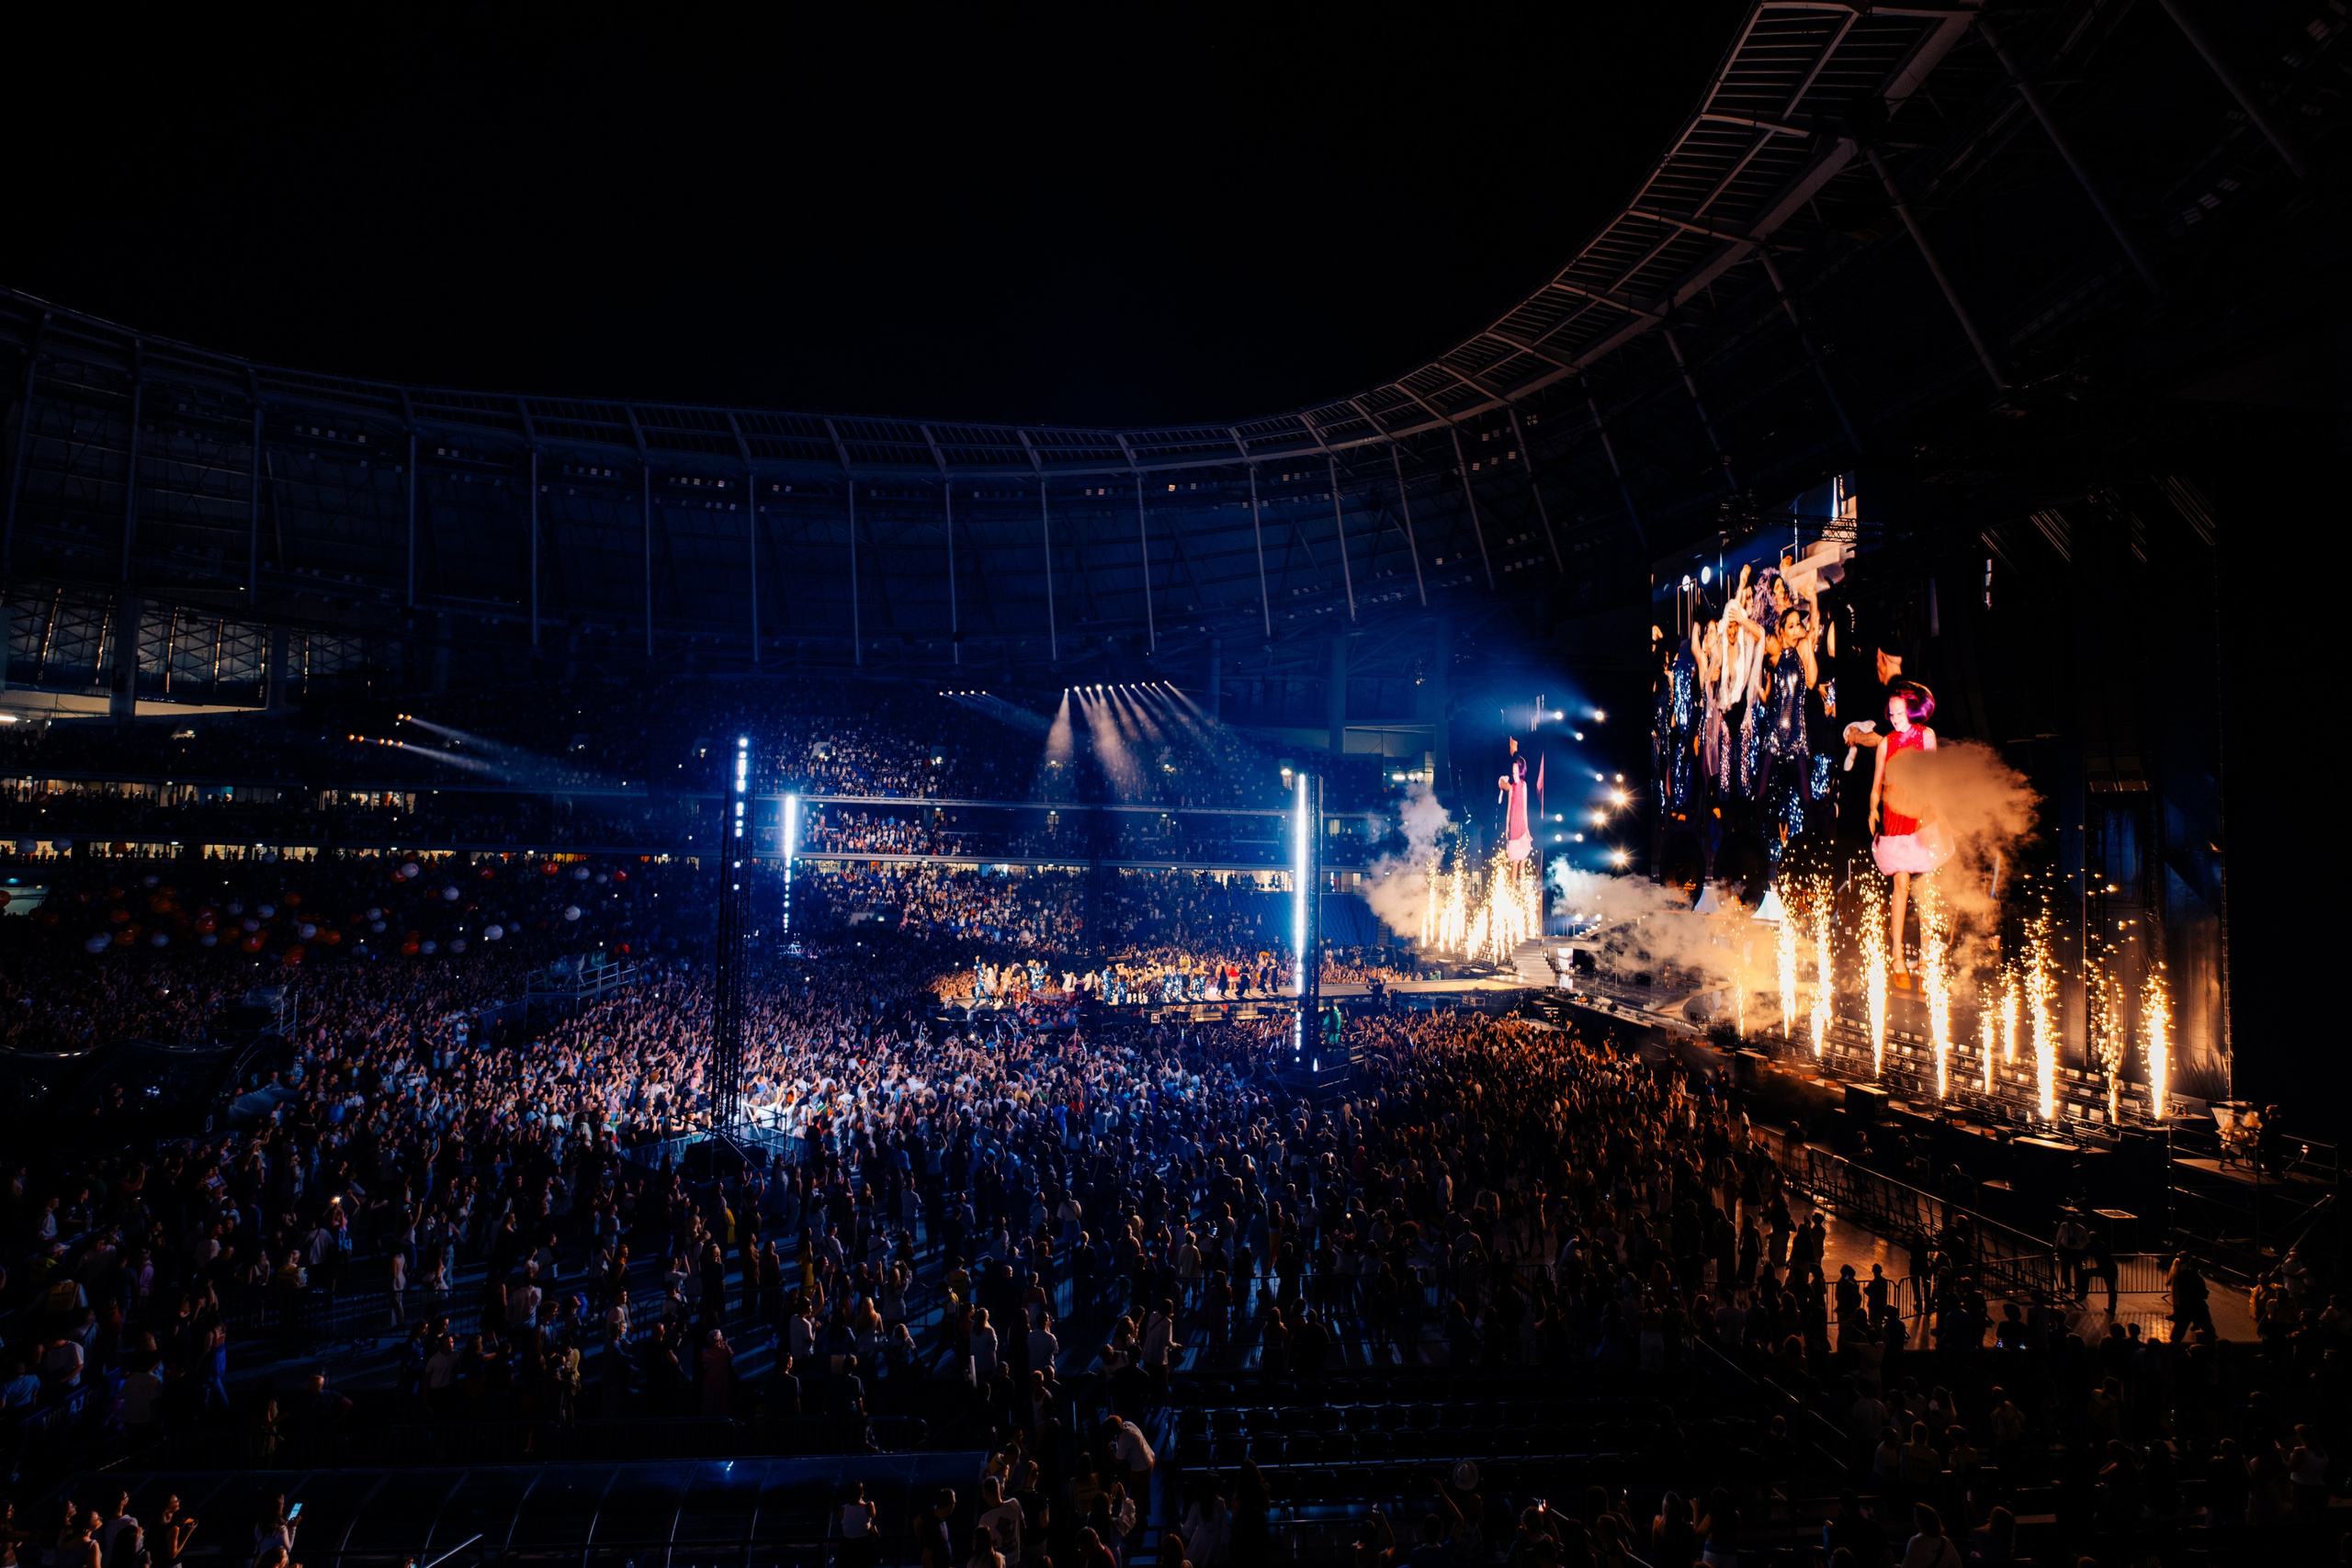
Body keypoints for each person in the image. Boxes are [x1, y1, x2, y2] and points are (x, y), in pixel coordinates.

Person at [1897, 1505, 1962, 1568]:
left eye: (1915, 1516)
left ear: (1919, 1520)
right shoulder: (1946, 1542)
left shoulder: (1916, 1542)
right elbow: (1957, 1564)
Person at [836, 1482, 879, 1568]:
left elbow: (842, 1528)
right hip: (864, 1546)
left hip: (848, 1547)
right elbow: (872, 1526)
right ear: (861, 1492)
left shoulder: (842, 1510)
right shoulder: (869, 1506)